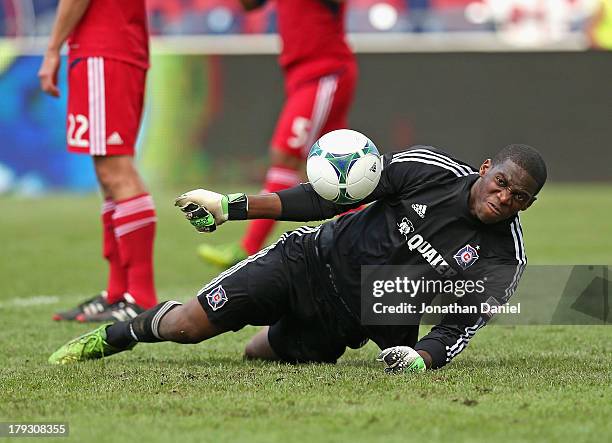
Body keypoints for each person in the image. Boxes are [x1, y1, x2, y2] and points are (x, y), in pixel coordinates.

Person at [49, 143, 547, 371]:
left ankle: (276, 328)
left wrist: (422, 355)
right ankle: (116, 334)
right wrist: (230, 207)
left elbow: (461, 324)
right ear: (485, 168)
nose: (504, 198)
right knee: (188, 327)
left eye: (519, 197)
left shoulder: (506, 257)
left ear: (528, 204)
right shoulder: (427, 170)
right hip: (307, 260)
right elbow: (328, 197)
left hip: (358, 319)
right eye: (501, 183)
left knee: (255, 354)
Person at [197, 0, 358, 268]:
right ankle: (387, 234)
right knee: (340, 173)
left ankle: (246, 248)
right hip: (302, 74)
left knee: (285, 156)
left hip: (325, 71)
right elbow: (249, 5)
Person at [38, 0, 158, 322]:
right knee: (107, 173)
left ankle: (141, 296)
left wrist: (52, 49)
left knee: (115, 169)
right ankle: (118, 292)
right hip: (109, 47)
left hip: (105, 47)